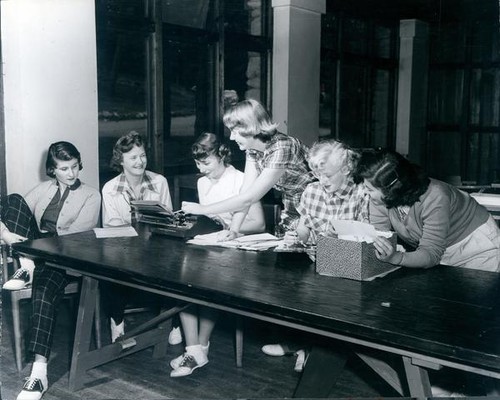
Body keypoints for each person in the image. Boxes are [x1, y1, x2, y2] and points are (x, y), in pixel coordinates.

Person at [1, 142, 101, 400]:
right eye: (64, 169)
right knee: (13, 200)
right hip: (37, 253)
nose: (71, 173)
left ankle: (38, 374)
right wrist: (6, 235)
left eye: (75, 167)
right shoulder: (43, 190)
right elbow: (15, 212)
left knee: (43, 292)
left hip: (65, 258)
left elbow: (78, 237)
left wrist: (32, 244)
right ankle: (27, 266)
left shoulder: (92, 195)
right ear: (52, 170)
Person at [261, 139, 370, 370]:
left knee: (321, 298)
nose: (323, 181)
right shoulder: (312, 190)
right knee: (285, 285)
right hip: (315, 261)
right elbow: (304, 229)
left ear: (346, 169)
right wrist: (295, 236)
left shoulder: (361, 194)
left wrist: (335, 239)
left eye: (329, 175)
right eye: (318, 175)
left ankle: (310, 350)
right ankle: (298, 343)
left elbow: (365, 241)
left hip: (346, 268)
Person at [170, 132, 265, 377]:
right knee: (183, 277)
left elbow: (258, 224)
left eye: (206, 163)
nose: (201, 169)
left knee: (206, 278)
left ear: (222, 155)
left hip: (243, 249)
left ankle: (198, 349)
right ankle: (196, 349)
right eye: (198, 164)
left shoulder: (242, 180)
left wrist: (229, 228)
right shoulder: (203, 183)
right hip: (215, 245)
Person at [182, 99, 315, 239]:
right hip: (294, 213)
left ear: (250, 127)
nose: (232, 138)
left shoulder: (282, 147)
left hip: (320, 210)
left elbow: (250, 198)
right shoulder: (253, 150)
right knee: (294, 257)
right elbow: (245, 193)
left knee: (330, 259)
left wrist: (203, 209)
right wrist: (233, 230)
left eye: (235, 132)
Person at [354, 148, 500, 271]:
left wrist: (397, 257)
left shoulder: (435, 196)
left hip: (475, 246)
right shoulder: (380, 199)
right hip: (440, 252)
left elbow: (431, 253)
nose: (365, 192)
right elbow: (380, 235)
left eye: (369, 189)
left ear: (391, 190)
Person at [101, 131, 173, 342]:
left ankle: (173, 322)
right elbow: (111, 227)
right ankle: (117, 322)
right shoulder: (110, 188)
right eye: (133, 157)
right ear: (120, 161)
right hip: (124, 249)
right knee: (110, 271)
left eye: (142, 156)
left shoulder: (160, 182)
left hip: (156, 247)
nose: (140, 161)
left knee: (175, 268)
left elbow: (168, 219)